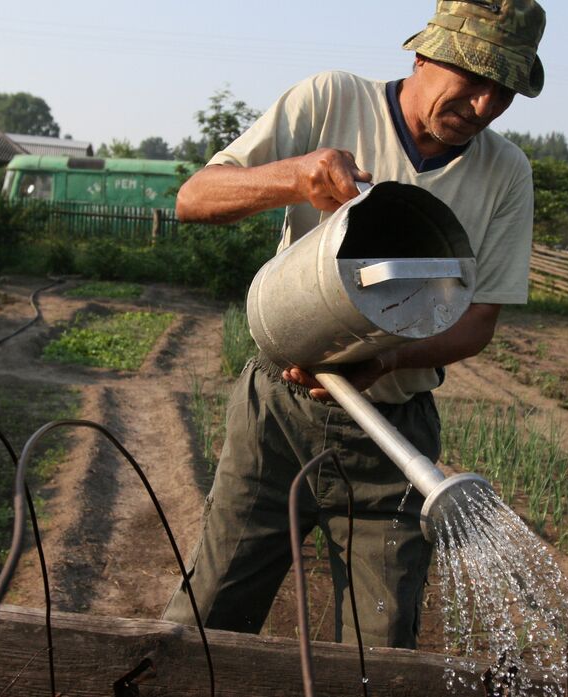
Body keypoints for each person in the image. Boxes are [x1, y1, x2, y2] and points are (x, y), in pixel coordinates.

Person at [163, 0, 546, 649]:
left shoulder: (505, 173)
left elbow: (479, 319)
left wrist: (388, 359)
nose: (483, 105)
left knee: (378, 647)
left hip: (392, 433)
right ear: (425, 53)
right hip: (275, 416)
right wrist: (294, 176)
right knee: (209, 618)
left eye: (502, 91)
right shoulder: (331, 98)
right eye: (473, 79)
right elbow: (194, 197)